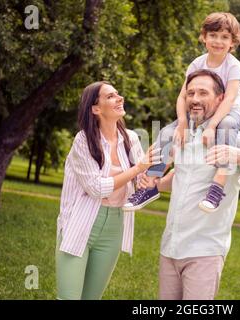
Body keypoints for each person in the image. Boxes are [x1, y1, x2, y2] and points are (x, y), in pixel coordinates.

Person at [137, 70, 240, 300]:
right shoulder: (182, 136)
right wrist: (153, 184)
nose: (194, 99)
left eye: (203, 93)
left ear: (220, 99)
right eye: (190, 93)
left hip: (204, 252)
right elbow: (181, 179)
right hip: (170, 248)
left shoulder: (234, 139)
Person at [123, 12, 240, 213]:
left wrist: (212, 126)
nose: (218, 41)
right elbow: (182, 97)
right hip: (196, 113)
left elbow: (230, 99)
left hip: (226, 114)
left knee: (227, 127)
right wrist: (181, 123)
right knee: (166, 134)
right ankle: (151, 184)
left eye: (225, 37)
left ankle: (217, 188)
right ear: (204, 37)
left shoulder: (233, 66)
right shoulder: (197, 63)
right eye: (213, 35)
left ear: (233, 42)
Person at [55, 81, 161, 300]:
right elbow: (96, 188)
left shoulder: (130, 138)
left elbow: (142, 180)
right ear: (96, 108)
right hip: (81, 222)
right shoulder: (83, 141)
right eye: (111, 96)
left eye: (118, 94)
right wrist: (138, 168)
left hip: (114, 226)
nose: (119, 98)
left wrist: (155, 167)